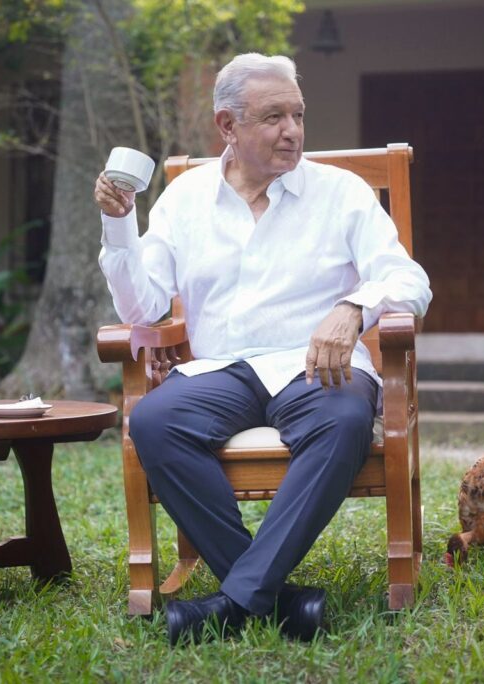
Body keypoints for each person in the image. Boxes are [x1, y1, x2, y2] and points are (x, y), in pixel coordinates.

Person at [94, 53, 431, 645]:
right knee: (153, 420)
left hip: (316, 367)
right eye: (274, 117)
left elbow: (409, 280)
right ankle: (274, 601)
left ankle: (235, 602)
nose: (292, 130)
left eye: (297, 115)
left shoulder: (340, 192)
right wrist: (119, 226)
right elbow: (141, 310)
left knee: (344, 419)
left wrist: (353, 308)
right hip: (220, 369)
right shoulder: (185, 198)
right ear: (228, 125)